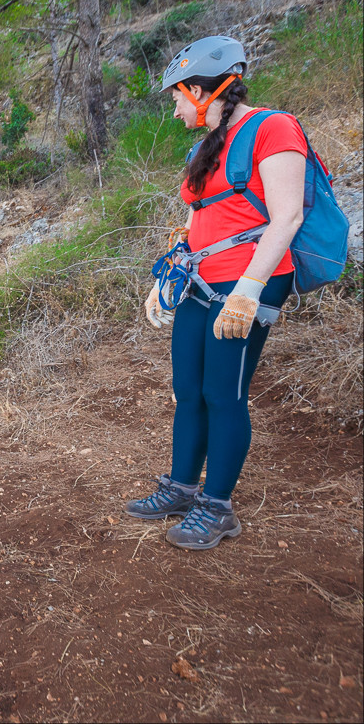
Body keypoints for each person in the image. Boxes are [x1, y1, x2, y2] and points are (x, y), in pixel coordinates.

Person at [127, 35, 306, 550]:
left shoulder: (273, 127)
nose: (176, 107)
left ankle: (218, 506)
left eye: (179, 96)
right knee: (189, 388)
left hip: (250, 280)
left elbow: (287, 215)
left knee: (223, 394)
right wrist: (167, 280)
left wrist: (248, 291)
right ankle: (182, 488)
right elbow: (195, 220)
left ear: (205, 90)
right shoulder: (204, 146)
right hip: (201, 282)